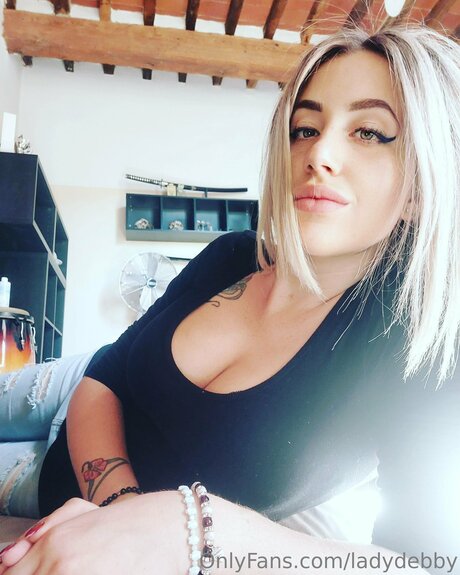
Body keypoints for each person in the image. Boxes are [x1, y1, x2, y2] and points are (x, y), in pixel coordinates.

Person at [0, 22, 459, 575]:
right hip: (66, 389)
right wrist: (124, 510)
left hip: (46, 486)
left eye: (369, 132)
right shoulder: (232, 254)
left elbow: (431, 561)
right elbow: (104, 375)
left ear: (424, 179)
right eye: (304, 128)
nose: (318, 154)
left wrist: (199, 526)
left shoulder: (424, 347)